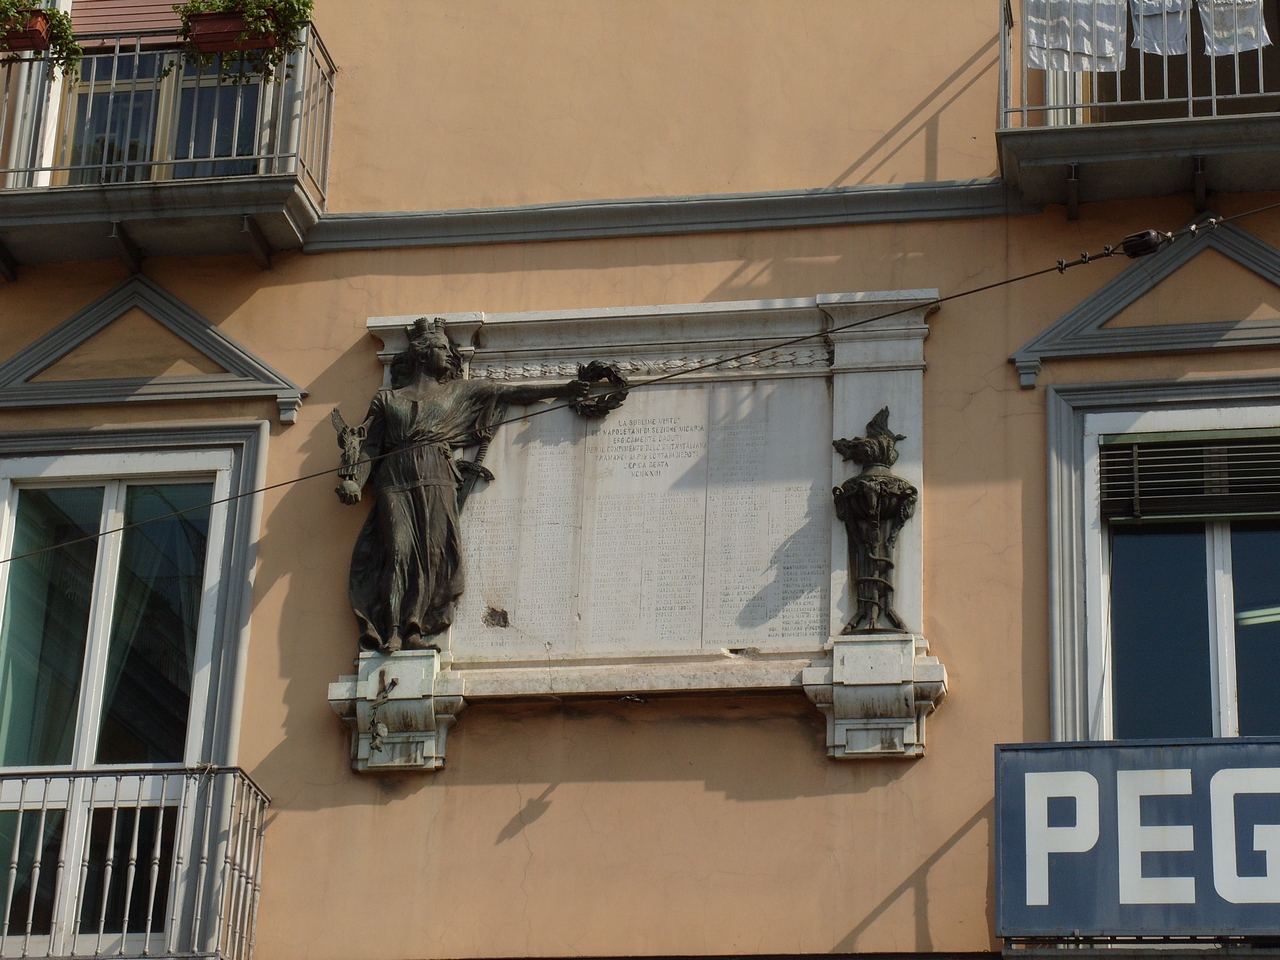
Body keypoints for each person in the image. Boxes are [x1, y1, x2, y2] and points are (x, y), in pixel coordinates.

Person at [335, 317, 589, 652]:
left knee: (431, 553)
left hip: (437, 473)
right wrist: (354, 481)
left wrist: (565, 389)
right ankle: (391, 629)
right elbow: (370, 448)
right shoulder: (387, 400)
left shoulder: (459, 392)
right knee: (396, 550)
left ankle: (414, 628)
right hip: (393, 477)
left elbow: (512, 393)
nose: (448, 356)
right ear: (423, 354)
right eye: (441, 349)